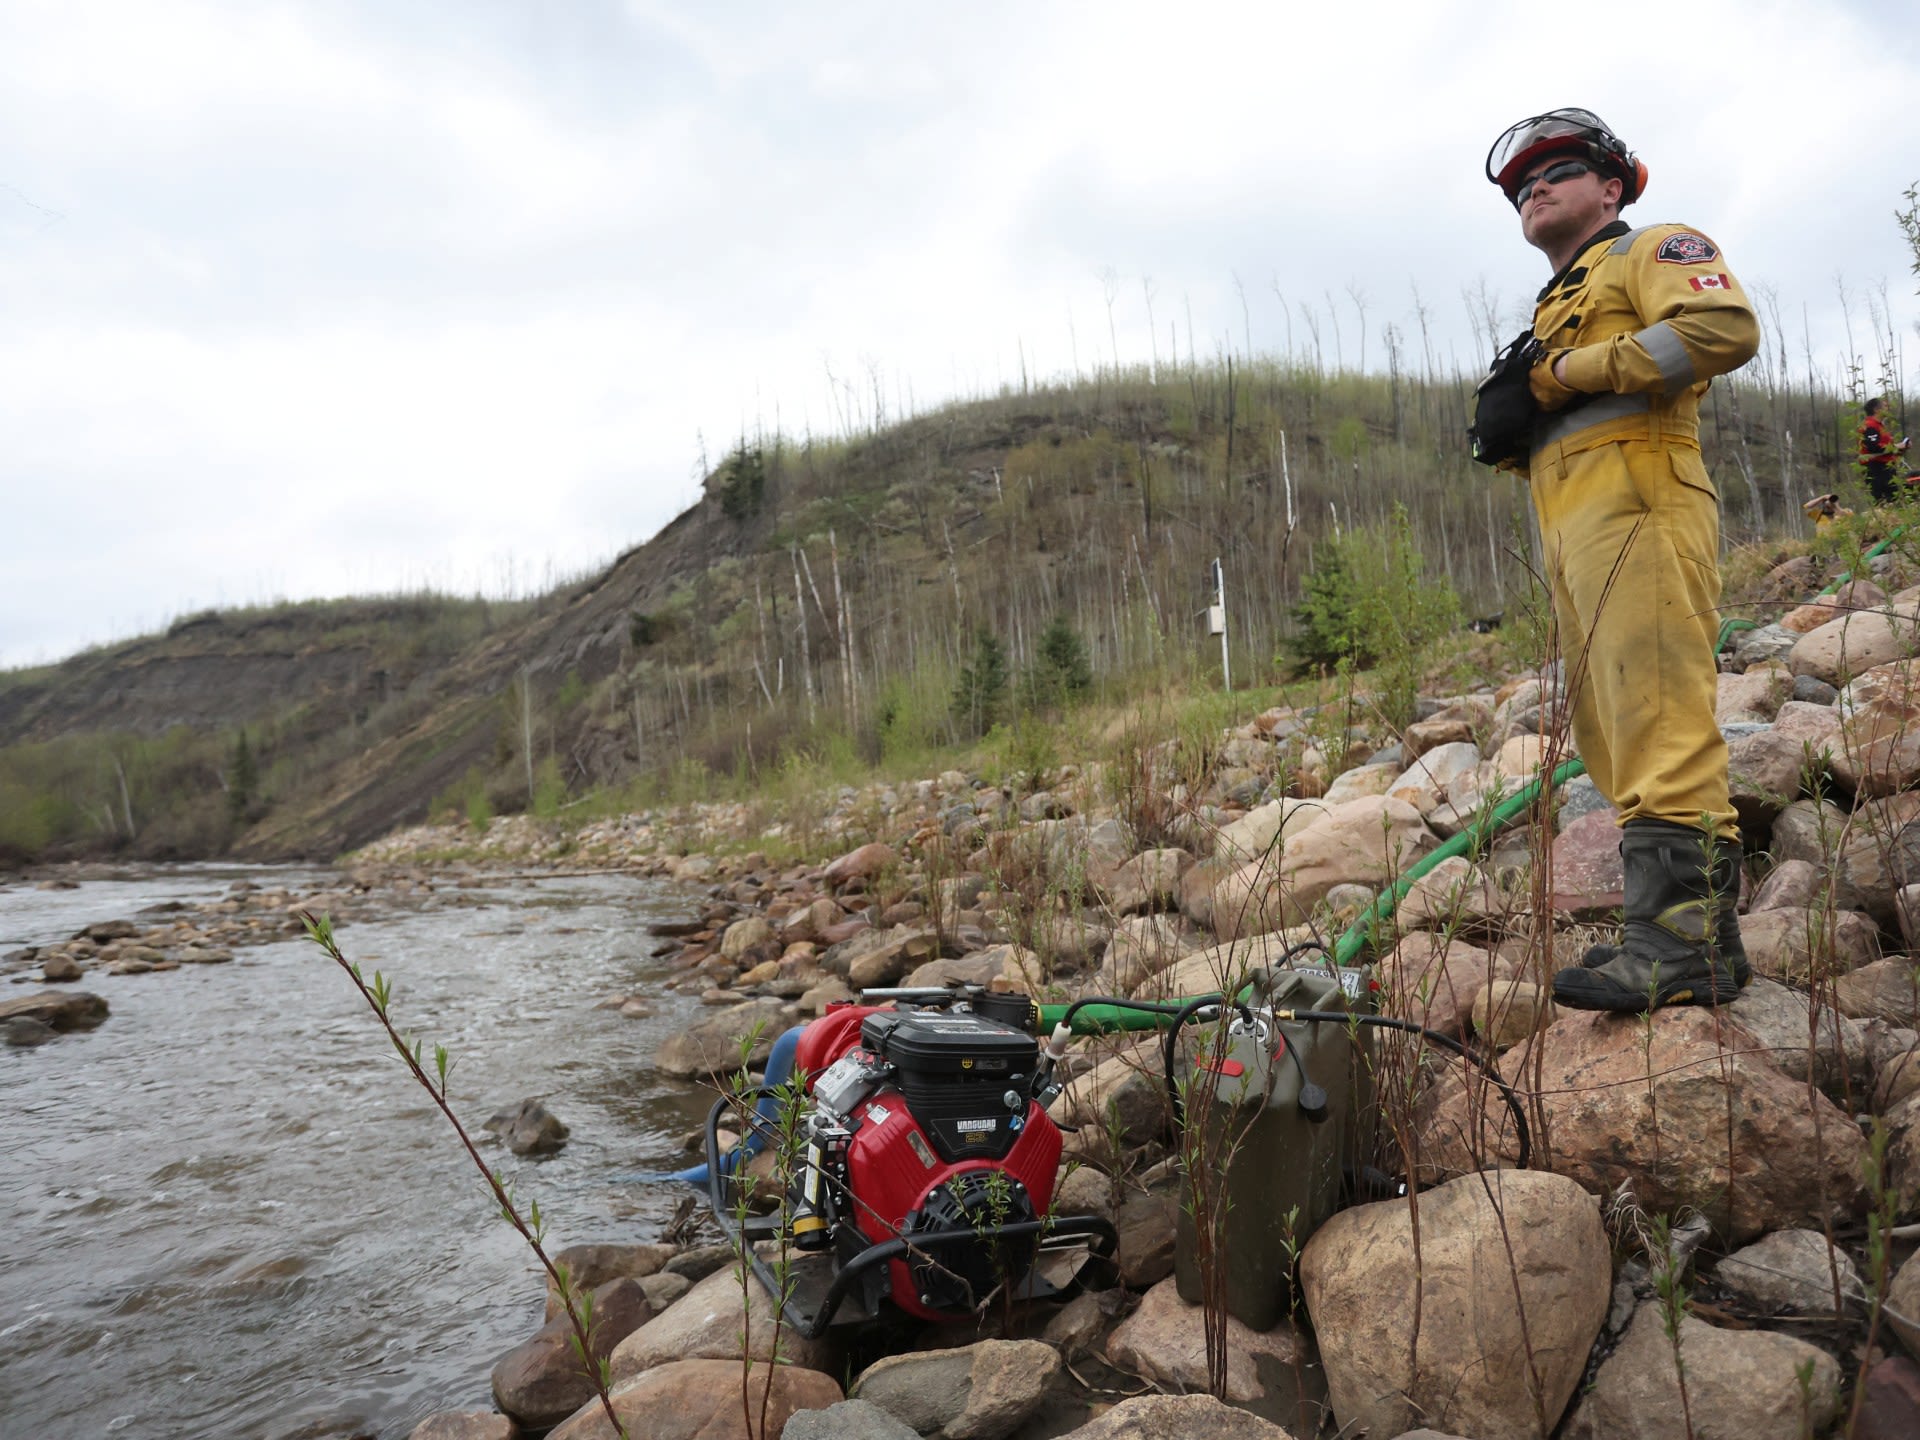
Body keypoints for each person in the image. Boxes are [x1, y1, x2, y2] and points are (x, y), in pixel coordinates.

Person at [1483, 109, 1760, 1012]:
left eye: (1557, 171)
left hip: (1644, 499)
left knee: (1658, 715)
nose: (1535, 187)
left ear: (1613, 187)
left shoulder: (1657, 248)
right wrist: (1516, 423)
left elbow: (1721, 329)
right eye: (1523, 184)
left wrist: (1563, 376)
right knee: (1612, 730)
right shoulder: (1551, 304)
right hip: (1576, 522)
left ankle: (1676, 947)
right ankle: (1688, 939)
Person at [1858, 397, 1913, 503]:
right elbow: (1874, 448)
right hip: (1876, 470)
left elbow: (1886, 449)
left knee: (1899, 497)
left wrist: (1902, 447)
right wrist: (1897, 446)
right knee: (1885, 501)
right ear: (1876, 410)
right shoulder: (1869, 426)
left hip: (1887, 468)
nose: (1888, 408)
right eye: (1885, 406)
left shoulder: (1880, 426)